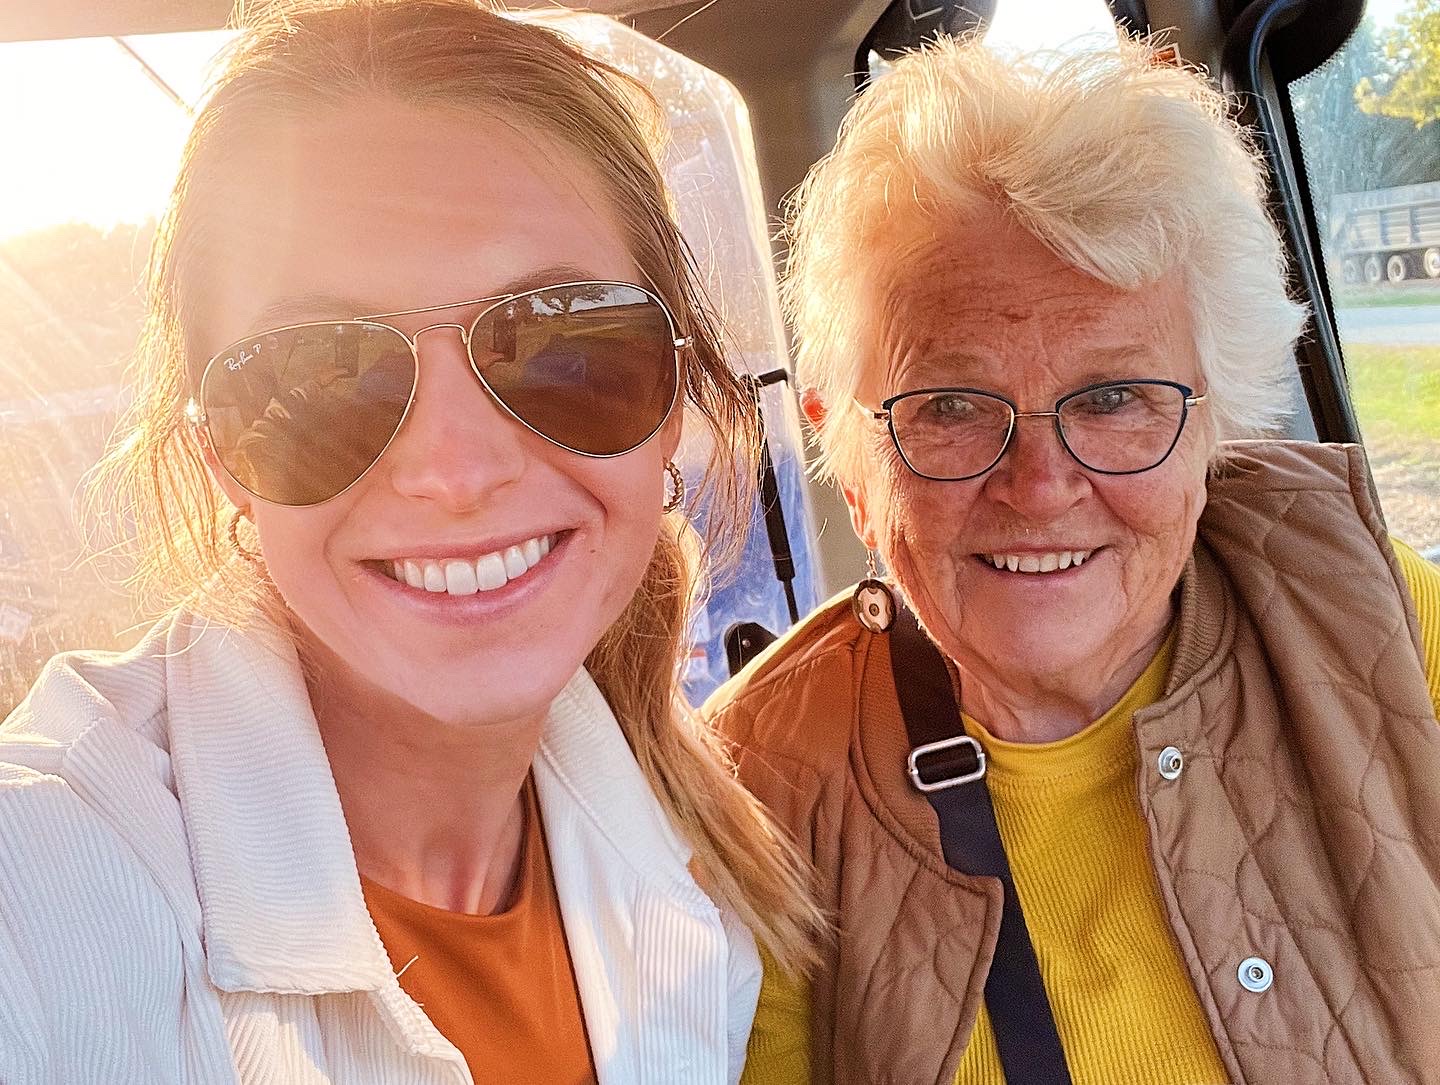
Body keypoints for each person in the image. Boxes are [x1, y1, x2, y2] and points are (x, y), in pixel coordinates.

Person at [0, 3, 823, 1082]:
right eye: (314, 378)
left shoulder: (690, 879)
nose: (453, 471)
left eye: (565, 343)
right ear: (221, 461)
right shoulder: (42, 887)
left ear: (673, 400)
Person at [710, 36, 1440, 1085]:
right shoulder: (758, 784)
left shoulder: (1360, 595)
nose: (1041, 484)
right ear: (852, 455)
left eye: (1113, 397)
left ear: (1213, 427)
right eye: (953, 406)